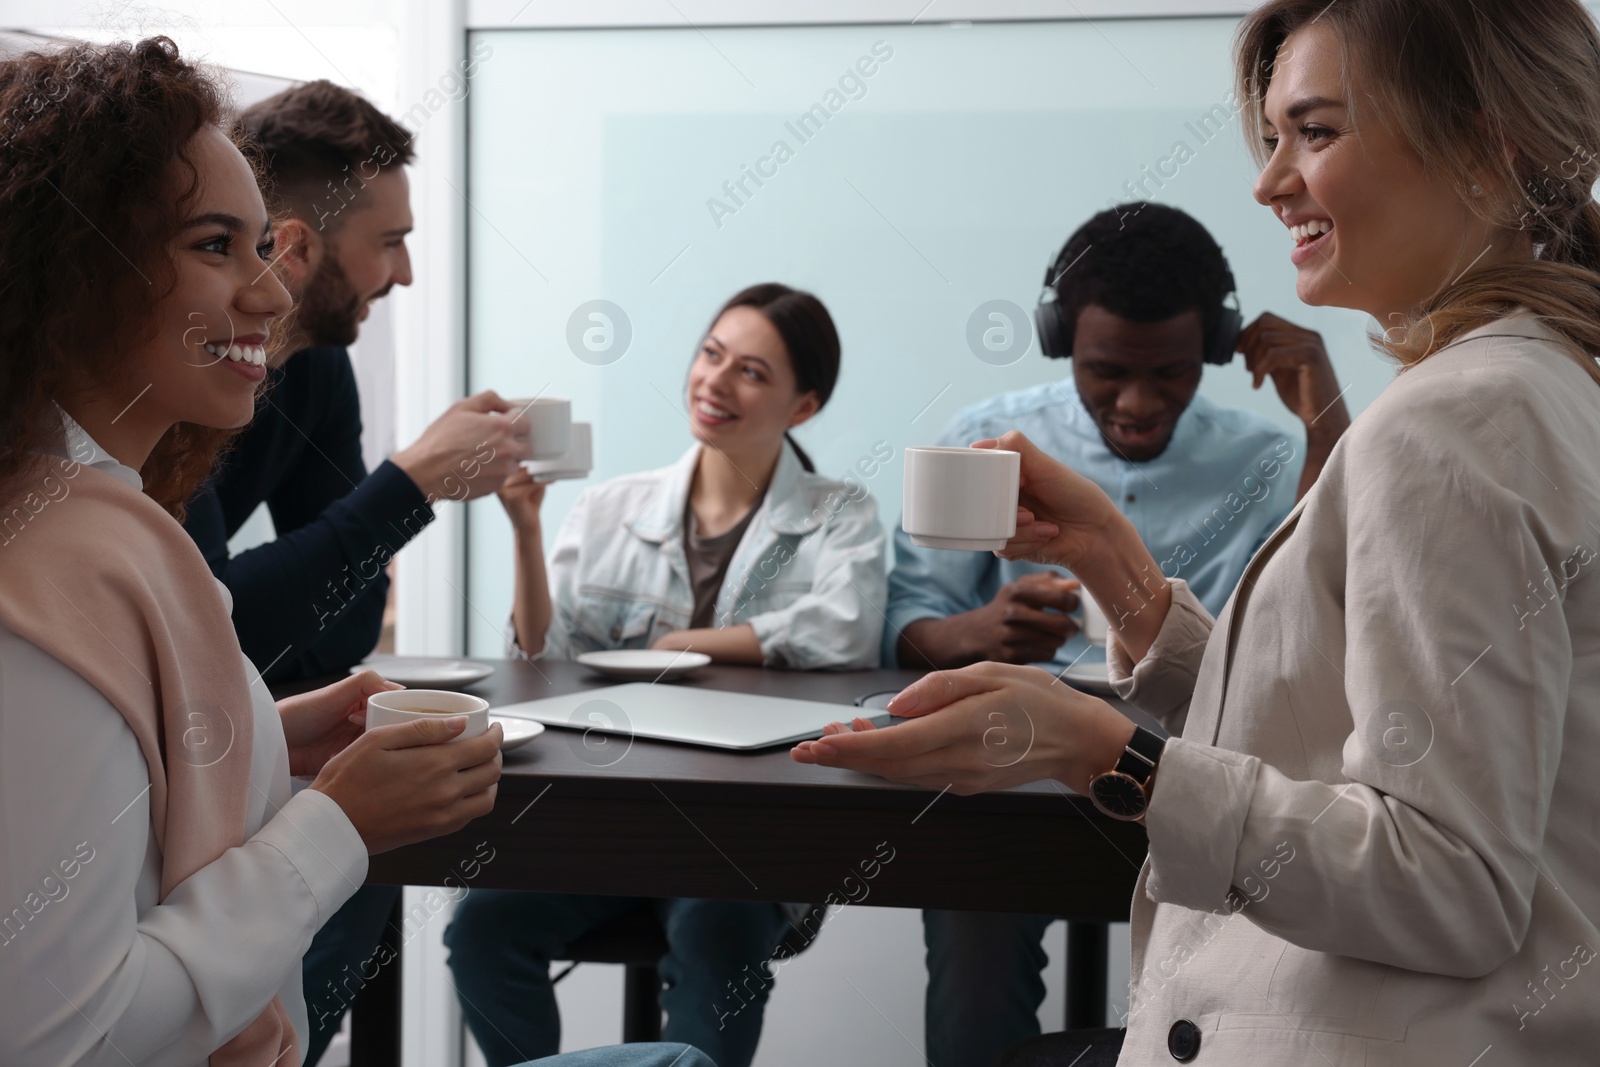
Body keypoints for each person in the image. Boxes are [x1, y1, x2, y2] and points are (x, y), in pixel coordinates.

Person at [795, 1, 1600, 1064]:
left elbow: (1449, 882)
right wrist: (1116, 567)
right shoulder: (1545, 381)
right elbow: (1324, 709)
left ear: (1490, 145)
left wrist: (1109, 756)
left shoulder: (1450, 419)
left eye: (1314, 131)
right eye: (1271, 138)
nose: (1269, 182)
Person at [0, 36, 712, 1067]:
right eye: (215, 245)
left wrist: (258, 742)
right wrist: (331, 825)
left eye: (261, 247)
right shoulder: (64, 561)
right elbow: (60, 1036)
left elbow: (306, 630)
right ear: (73, 269)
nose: (271, 291)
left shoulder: (125, 503)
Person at [893, 203, 1349, 1067]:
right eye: (1106, 372)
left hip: (1207, 770)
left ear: (1212, 350)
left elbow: (1323, 626)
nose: (1138, 402)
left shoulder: (1274, 457)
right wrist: (971, 631)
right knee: (970, 912)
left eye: (1172, 373)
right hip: (1017, 776)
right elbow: (904, 623)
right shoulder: (987, 446)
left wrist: (1326, 422)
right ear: (1061, 339)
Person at [445, 283, 888, 1067]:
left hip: (742, 834)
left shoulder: (839, 511)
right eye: (711, 355)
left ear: (804, 404)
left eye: (751, 372)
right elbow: (547, 662)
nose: (715, 382)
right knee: (482, 925)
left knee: (718, 938)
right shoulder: (615, 507)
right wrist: (524, 531)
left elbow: (844, 628)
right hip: (610, 822)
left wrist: (697, 642)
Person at [183, 81, 534, 1065]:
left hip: (245, 738)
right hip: (176, 770)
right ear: (294, 246)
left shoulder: (316, 374)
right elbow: (216, 630)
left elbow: (329, 633)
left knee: (375, 839)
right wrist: (412, 481)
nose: (408, 272)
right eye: (389, 241)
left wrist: (391, 501)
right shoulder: (174, 396)